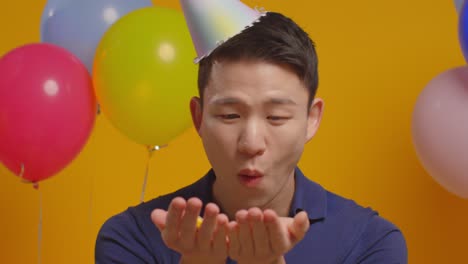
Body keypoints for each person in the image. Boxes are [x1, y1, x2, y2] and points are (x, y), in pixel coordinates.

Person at [95, 11, 407, 264]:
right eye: (230, 115)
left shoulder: (369, 242)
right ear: (198, 117)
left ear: (311, 119)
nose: (251, 143)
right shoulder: (131, 237)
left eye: (276, 117)